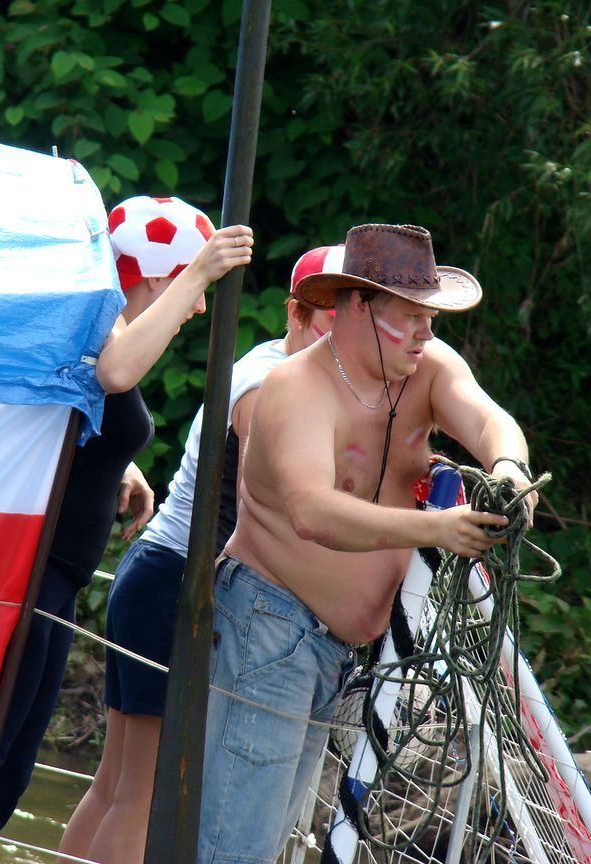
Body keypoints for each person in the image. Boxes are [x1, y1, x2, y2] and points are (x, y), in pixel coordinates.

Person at [0, 196, 254, 864]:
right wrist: (200, 273)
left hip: (51, 578)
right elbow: (113, 370)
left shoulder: (97, 328)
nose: (197, 310)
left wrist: (119, 464)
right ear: (158, 277)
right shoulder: (86, 316)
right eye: (189, 289)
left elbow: (77, 399)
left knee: (2, 777)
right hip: (13, 573)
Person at [198, 223, 538, 864]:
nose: (425, 333)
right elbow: (311, 512)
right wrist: (437, 529)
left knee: (257, 844)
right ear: (358, 305)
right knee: (233, 845)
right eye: (410, 316)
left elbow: (489, 418)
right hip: (268, 624)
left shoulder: (429, 368)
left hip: (337, 650)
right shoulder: (294, 387)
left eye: (430, 317)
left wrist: (510, 469)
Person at [58, 244, 345, 864]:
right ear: (296, 313)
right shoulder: (269, 384)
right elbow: (274, 519)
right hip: (175, 583)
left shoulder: (291, 376)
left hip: (155, 573)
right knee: (146, 791)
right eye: (331, 317)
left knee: (117, 783)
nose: (343, 334)